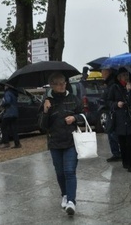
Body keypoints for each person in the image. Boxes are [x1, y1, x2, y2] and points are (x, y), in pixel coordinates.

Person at [39, 72, 84, 216]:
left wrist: (75, 118)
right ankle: (64, 194)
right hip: (55, 142)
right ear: (52, 85)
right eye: (58, 83)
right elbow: (41, 125)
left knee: (69, 171)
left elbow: (86, 117)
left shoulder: (73, 99)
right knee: (60, 173)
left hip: (71, 141)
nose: (62, 85)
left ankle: (71, 201)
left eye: (64, 82)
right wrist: (46, 111)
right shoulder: (47, 101)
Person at [107, 68, 131, 172]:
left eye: (127, 75)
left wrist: (129, 91)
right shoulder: (114, 88)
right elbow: (109, 102)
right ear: (119, 77)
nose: (126, 77)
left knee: (130, 143)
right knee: (122, 144)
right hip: (119, 119)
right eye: (124, 75)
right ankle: (125, 162)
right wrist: (116, 104)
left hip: (130, 118)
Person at [101, 67, 122, 163]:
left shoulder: (112, 84)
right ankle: (117, 153)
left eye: (103, 71)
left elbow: (109, 98)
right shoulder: (109, 83)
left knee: (112, 133)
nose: (101, 73)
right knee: (112, 132)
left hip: (113, 111)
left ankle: (118, 153)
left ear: (108, 72)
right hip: (111, 110)